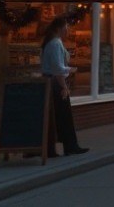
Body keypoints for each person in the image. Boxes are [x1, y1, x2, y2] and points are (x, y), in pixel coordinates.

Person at [40, 14, 89, 157]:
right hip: (55, 83)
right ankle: (70, 146)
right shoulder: (55, 43)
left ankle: (53, 148)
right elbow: (57, 69)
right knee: (63, 116)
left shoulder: (52, 42)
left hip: (51, 82)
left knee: (55, 118)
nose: (68, 30)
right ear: (60, 28)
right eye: (67, 27)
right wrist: (64, 86)